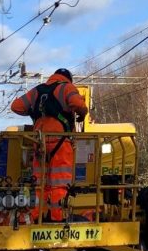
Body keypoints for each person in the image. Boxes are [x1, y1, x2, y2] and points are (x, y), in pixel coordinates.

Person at [10, 68, 89, 222]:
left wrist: (34, 112)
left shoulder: (37, 91)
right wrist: (83, 113)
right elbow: (77, 104)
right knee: (60, 183)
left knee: (40, 183)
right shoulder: (67, 87)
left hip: (39, 143)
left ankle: (35, 217)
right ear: (68, 78)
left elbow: (16, 106)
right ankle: (57, 218)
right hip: (61, 141)